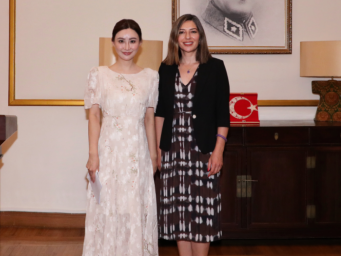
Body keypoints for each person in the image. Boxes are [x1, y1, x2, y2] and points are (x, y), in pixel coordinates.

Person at [82, 19, 159, 256]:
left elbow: (149, 118)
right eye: (121, 41)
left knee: (134, 207)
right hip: (109, 151)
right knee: (107, 206)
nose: (127, 46)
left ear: (140, 43)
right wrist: (93, 155)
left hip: (138, 153)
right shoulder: (99, 74)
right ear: (113, 43)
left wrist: (153, 156)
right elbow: (94, 115)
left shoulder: (151, 77)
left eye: (132, 41)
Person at [155, 14, 230, 256]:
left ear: (200, 36)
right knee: (179, 212)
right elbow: (160, 114)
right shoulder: (166, 69)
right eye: (182, 32)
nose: (187, 37)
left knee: (202, 211)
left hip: (203, 151)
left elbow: (223, 115)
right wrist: (158, 151)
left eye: (193, 31)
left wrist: (218, 151)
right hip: (172, 151)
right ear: (175, 38)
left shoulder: (215, 68)